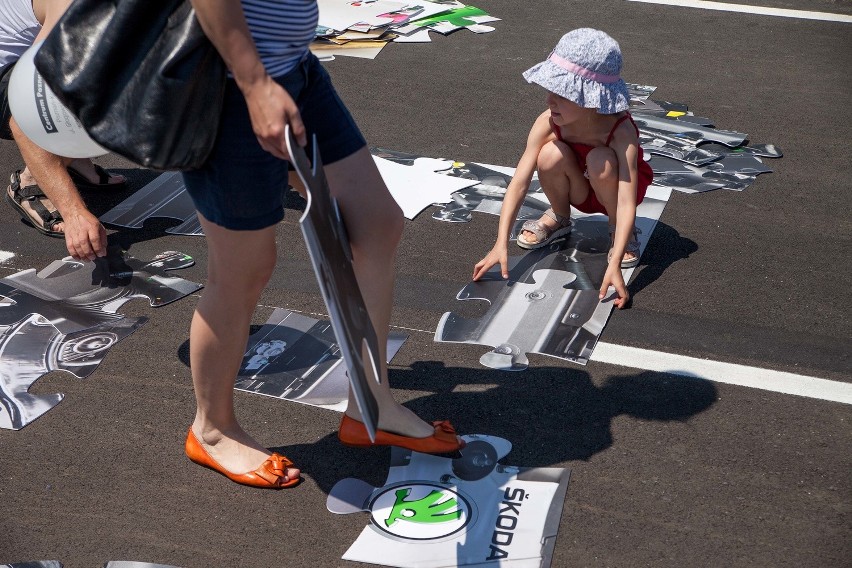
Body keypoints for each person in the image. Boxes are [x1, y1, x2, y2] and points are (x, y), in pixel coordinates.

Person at [183, 0, 464, 489]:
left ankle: (370, 403)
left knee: (376, 223)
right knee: (242, 269)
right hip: (227, 87)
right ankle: (211, 429)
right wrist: (253, 82)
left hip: (295, 69)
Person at [473, 29, 653, 309]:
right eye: (550, 91)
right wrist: (500, 243)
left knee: (600, 160)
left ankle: (620, 231)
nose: (549, 101)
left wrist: (615, 262)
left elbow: (628, 199)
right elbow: (518, 183)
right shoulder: (547, 121)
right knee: (549, 154)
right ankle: (559, 217)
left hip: (613, 191)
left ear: (591, 98)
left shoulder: (621, 129)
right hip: (579, 186)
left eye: (563, 94)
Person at [1, 0, 125, 262]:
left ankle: (72, 156)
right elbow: (33, 103)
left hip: (29, 57)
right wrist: (74, 213)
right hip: (11, 75)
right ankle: (29, 183)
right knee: (69, 92)